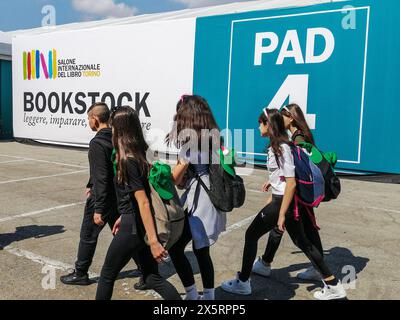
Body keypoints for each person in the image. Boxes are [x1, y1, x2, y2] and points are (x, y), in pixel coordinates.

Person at [221, 108, 346, 300]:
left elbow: (291, 182)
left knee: (251, 235)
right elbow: (285, 176)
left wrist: (281, 213)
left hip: (282, 203)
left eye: (260, 123)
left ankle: (243, 282)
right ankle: (333, 284)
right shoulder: (280, 145)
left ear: (268, 125)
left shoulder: (280, 147)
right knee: (303, 242)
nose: (257, 127)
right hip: (283, 202)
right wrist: (272, 182)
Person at [95, 106, 181, 300]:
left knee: (107, 275)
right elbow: (135, 199)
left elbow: (143, 202)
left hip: (133, 227)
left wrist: (153, 241)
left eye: (113, 125)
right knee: (152, 278)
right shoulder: (143, 152)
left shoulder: (128, 159)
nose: (111, 129)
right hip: (135, 222)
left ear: (119, 128)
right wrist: (123, 215)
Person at [252, 104, 324, 282]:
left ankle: (324, 273)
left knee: (299, 234)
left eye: (283, 116)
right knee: (305, 231)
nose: (279, 119)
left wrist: (283, 182)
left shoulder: (297, 138)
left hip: (297, 193)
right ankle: (267, 262)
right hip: (297, 192)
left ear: (291, 118)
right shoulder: (296, 136)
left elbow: (299, 169)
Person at [165, 95, 227, 300]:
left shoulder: (191, 143)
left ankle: (192, 294)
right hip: (210, 196)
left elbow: (175, 178)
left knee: (175, 248)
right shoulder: (214, 137)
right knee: (202, 251)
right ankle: (208, 296)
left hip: (199, 201)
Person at [60, 102, 123, 285]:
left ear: (95, 119)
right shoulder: (116, 138)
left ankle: (80, 273)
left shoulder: (97, 143)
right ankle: (147, 273)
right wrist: (90, 182)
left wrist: (98, 208)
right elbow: (105, 169)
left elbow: (102, 177)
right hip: (118, 197)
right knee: (124, 235)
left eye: (88, 118)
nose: (88, 121)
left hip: (102, 198)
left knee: (88, 235)